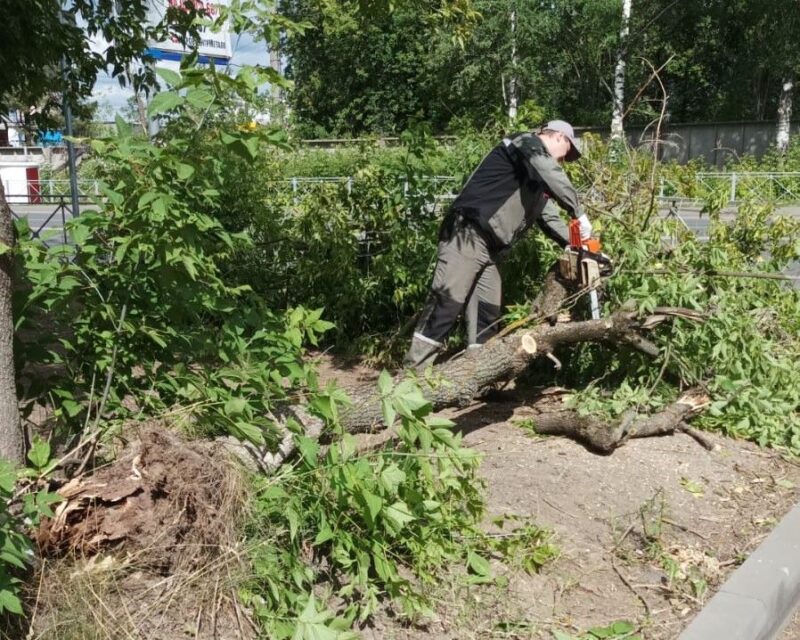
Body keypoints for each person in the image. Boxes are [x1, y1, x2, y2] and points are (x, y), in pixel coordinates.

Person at [403, 119, 592, 369]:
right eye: (567, 153)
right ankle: (412, 376)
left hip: (490, 249)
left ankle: (479, 379)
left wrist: (581, 244)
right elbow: (550, 171)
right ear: (559, 137)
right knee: (446, 303)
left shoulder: (536, 181)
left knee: (487, 314)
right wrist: (578, 211)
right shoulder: (524, 142)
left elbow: (549, 218)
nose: (563, 161)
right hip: (467, 233)